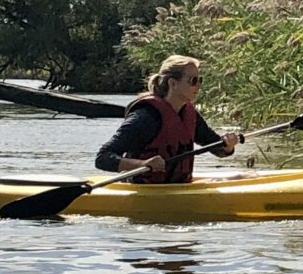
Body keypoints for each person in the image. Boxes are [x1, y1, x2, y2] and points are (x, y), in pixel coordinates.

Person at [95, 54, 240, 183]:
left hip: (176, 188)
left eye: (199, 80)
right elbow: (103, 158)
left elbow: (218, 149)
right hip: (142, 191)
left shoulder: (189, 115)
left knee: (242, 178)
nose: (198, 86)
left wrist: (228, 145)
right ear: (173, 83)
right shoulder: (146, 116)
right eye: (193, 80)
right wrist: (142, 164)